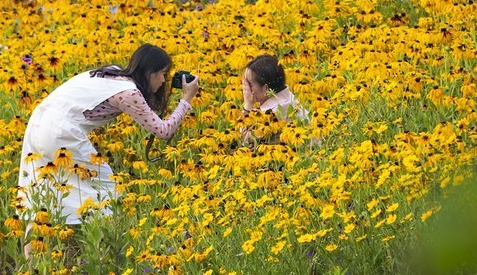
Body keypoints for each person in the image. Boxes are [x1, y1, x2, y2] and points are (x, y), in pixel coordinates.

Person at [17, 43, 199, 240]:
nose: (164, 80)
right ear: (150, 72)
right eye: (163, 74)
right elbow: (163, 131)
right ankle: (109, 248)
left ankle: (30, 265)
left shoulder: (111, 73)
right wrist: (186, 99)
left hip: (38, 124)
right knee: (107, 191)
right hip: (60, 131)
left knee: (42, 197)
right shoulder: (128, 93)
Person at [240, 53, 309, 147]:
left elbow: (242, 139)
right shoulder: (288, 97)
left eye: (249, 85)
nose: (245, 88)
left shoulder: (274, 112)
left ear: (266, 89)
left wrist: (247, 106)